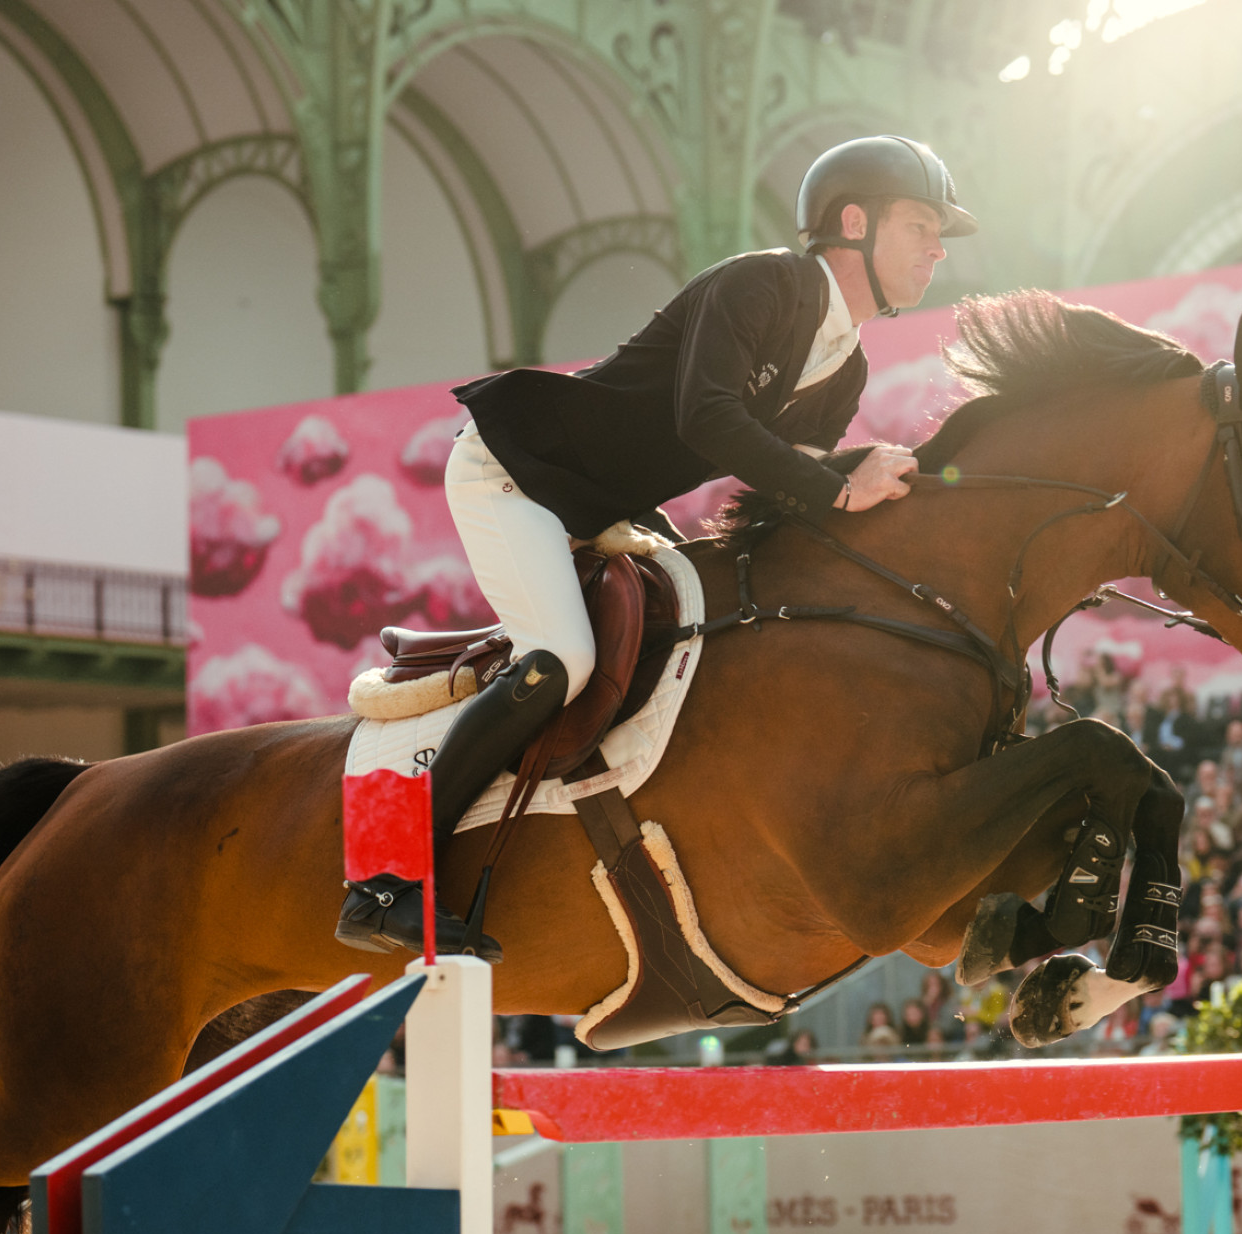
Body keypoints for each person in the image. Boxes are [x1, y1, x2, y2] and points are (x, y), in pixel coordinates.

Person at [336, 135, 977, 958]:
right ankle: (384, 883)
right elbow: (706, 418)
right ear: (853, 221)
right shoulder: (763, 284)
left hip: (600, 506)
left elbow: (794, 478)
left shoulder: (844, 368)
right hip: (518, 471)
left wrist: (870, 483)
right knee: (561, 656)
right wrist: (838, 481)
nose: (937, 248)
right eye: (922, 224)